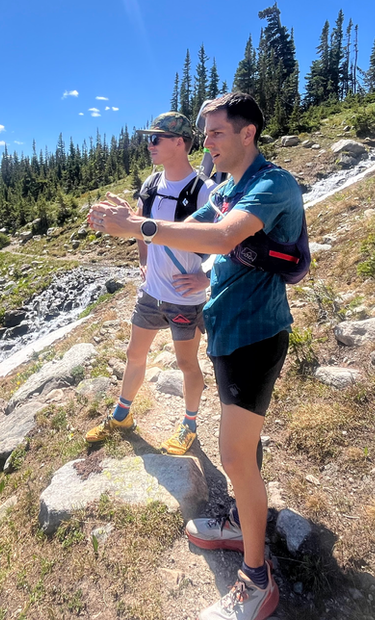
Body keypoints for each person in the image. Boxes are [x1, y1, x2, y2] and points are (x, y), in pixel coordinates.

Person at [88, 92, 304, 620]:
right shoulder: (227, 187)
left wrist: (140, 227)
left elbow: (222, 235)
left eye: (216, 133)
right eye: (205, 133)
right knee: (240, 449)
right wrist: (132, 217)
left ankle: (257, 582)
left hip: (257, 335)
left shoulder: (272, 184)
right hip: (228, 331)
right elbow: (192, 235)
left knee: (233, 455)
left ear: (247, 133)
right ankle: (237, 519)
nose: (207, 142)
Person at [84, 111, 215, 456]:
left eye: (156, 138)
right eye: (149, 138)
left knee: (187, 364)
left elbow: (228, 242)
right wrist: (143, 261)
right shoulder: (151, 184)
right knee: (134, 354)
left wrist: (206, 276)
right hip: (152, 293)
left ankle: (189, 424)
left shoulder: (205, 191)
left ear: (179, 142)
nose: (149, 144)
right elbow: (140, 226)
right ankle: (122, 416)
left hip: (186, 298)